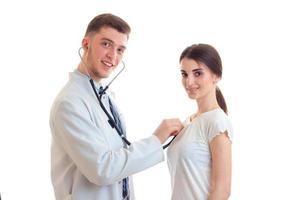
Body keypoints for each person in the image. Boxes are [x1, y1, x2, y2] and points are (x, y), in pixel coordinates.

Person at [49, 13, 183, 200]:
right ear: (86, 44)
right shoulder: (70, 103)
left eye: (120, 49)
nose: (113, 55)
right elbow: (103, 169)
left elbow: (120, 160)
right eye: (106, 44)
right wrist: (156, 139)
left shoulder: (103, 97)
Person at [167, 44, 233, 200]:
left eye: (197, 73)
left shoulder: (217, 122)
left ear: (216, 76)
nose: (189, 82)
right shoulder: (188, 121)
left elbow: (222, 190)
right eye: (184, 74)